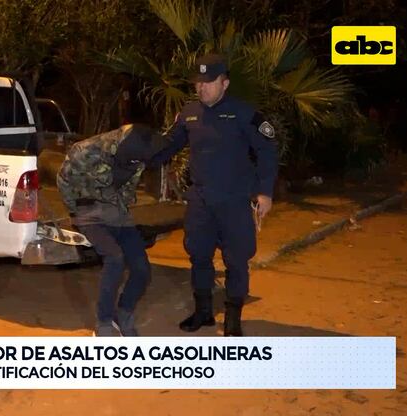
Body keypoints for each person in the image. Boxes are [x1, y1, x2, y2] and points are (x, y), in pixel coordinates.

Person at [169, 53, 279, 336]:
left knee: (236, 260)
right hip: (201, 200)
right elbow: (168, 145)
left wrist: (265, 192)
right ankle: (203, 312)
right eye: (198, 82)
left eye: (208, 82)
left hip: (234, 200)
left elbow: (267, 151)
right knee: (198, 256)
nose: (201, 87)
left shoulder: (244, 114)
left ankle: (232, 318)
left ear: (225, 83)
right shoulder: (189, 113)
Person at [57, 124, 182, 336]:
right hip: (88, 212)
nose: (136, 164)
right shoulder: (85, 151)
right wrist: (76, 211)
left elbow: (128, 187)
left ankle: (123, 313)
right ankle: (104, 321)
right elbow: (63, 181)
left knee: (142, 269)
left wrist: (121, 208)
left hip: (118, 213)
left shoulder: (139, 151)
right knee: (114, 258)